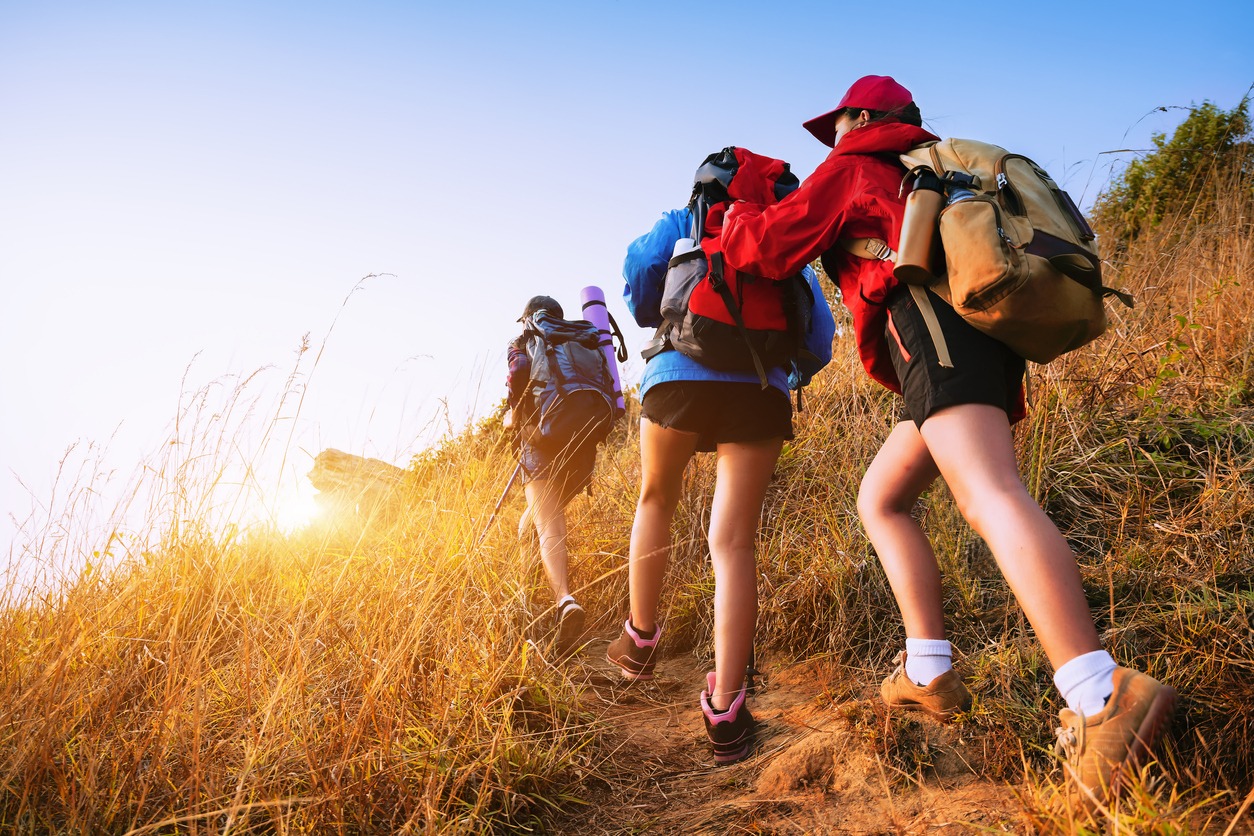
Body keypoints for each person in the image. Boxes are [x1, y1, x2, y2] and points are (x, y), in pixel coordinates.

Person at [717, 75, 1176, 803]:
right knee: (884, 498)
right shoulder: (930, 166)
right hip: (972, 338)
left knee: (988, 493)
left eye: (837, 123)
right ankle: (928, 670)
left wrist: (738, 204)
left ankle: (1099, 695)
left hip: (932, 334)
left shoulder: (858, 163)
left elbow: (765, 250)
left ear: (863, 117)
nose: (831, 138)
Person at [610, 175, 836, 764]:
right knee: (733, 542)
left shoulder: (682, 221)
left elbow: (637, 284)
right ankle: (727, 713)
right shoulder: (781, 231)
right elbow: (820, 337)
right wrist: (783, 374)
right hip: (759, 389)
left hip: (674, 376)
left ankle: (639, 641)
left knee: (656, 498)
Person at [506, 294, 595, 656]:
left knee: (549, 526)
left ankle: (563, 601)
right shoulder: (580, 336)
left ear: (527, 316)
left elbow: (517, 373)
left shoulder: (524, 338)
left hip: (540, 442)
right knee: (530, 525)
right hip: (582, 446)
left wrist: (513, 412)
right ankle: (528, 598)